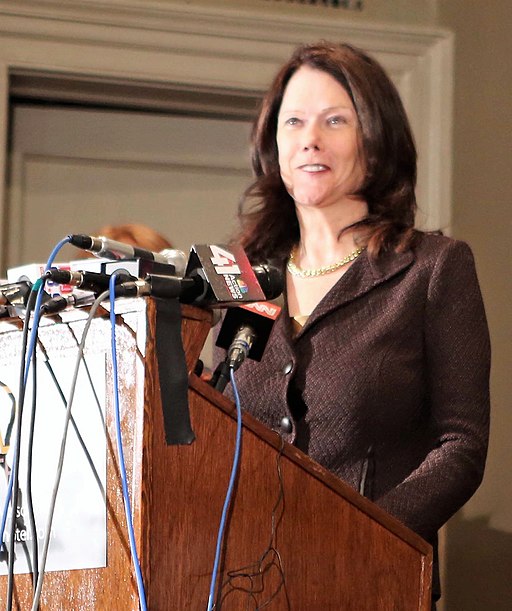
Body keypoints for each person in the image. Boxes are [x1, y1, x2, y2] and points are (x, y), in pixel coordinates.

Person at [214, 41, 491, 607]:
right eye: (294, 121)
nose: (310, 137)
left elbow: (460, 445)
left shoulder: (433, 268)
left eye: (334, 120)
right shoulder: (244, 277)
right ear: (274, 145)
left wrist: (358, 535)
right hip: (242, 586)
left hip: (369, 581)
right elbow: (216, 415)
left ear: (376, 138)